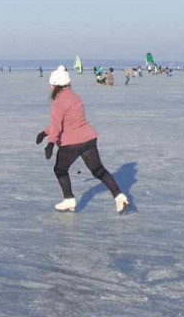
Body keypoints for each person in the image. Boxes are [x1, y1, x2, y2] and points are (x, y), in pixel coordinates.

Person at [37, 65, 130, 213]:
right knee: (98, 170)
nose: (50, 88)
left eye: (52, 85)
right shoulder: (75, 97)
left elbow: (57, 125)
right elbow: (69, 121)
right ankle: (119, 196)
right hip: (88, 139)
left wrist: (50, 143)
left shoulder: (59, 101)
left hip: (72, 143)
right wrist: (45, 132)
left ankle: (69, 200)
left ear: (57, 85)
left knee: (60, 170)